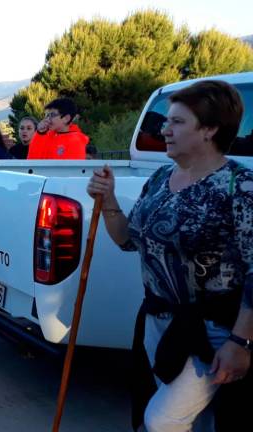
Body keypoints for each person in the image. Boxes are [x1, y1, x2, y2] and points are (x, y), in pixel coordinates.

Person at [87, 80, 252, 431]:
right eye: (167, 121)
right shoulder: (162, 177)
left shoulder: (240, 186)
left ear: (209, 129)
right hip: (157, 320)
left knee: (162, 420)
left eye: (177, 122)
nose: (164, 130)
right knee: (198, 420)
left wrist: (241, 341)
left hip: (213, 330)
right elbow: (127, 240)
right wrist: (109, 200)